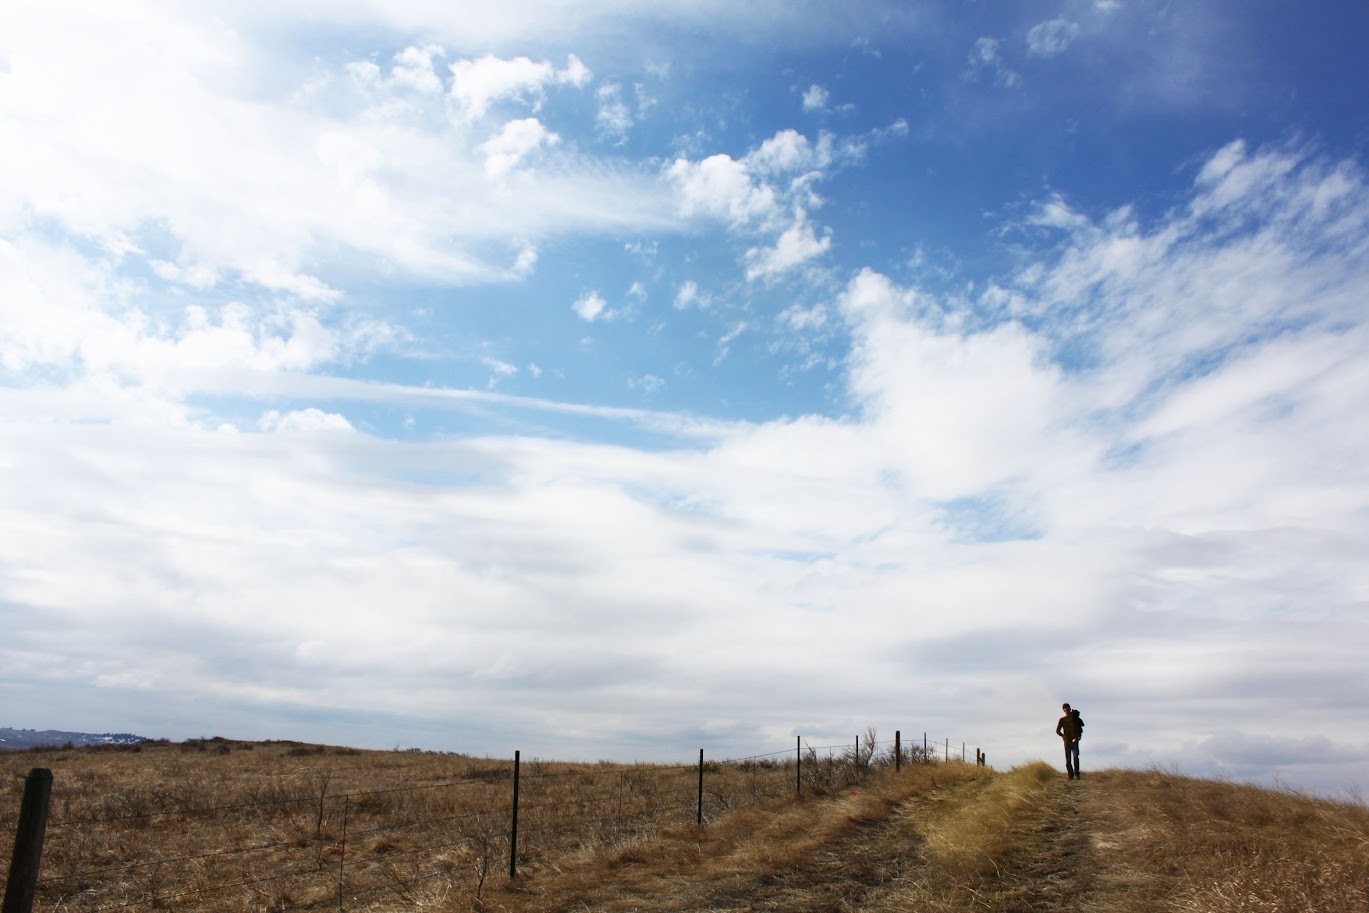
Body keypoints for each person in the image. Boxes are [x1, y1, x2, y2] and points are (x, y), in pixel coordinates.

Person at [1055, 702, 1082, 779]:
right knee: (1068, 759)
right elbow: (1057, 731)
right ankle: (1070, 775)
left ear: (1070, 709)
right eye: (1065, 709)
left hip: (1075, 741)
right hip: (1067, 742)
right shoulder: (1062, 720)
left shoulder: (1075, 718)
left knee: (1076, 757)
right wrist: (1063, 736)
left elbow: (1080, 729)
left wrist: (1078, 737)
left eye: (1067, 708)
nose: (1066, 710)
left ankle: (1077, 773)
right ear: (1063, 710)